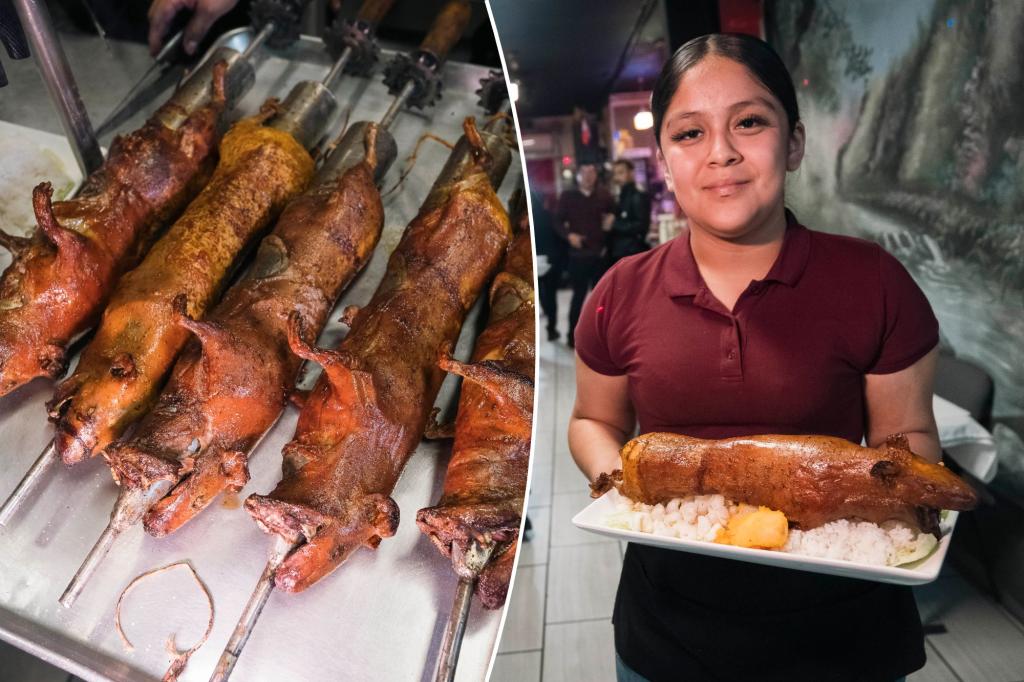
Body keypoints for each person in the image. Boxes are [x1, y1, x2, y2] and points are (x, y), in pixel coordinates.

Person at [570, 33, 938, 682]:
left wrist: (916, 497)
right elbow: (593, 422)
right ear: (662, 160)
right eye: (689, 133)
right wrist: (617, 484)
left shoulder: (875, 282)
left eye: (749, 122)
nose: (722, 153)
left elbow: (905, 442)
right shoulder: (617, 293)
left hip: (845, 640)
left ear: (793, 143)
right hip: (668, 636)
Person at [555, 163, 614, 347]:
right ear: (578, 175)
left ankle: (601, 337)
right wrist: (568, 235)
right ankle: (572, 336)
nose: (588, 176)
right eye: (585, 172)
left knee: (601, 299)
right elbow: (557, 221)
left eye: (592, 172)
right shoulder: (568, 196)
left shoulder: (604, 195)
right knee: (578, 296)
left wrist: (611, 220)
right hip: (578, 255)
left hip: (599, 254)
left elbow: (613, 213)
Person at [531, 188, 565, 341]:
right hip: (550, 260)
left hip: (534, 260)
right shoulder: (550, 217)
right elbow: (559, 239)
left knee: (539, 292)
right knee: (551, 296)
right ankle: (551, 328)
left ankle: (544, 309)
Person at [607, 159, 651, 266]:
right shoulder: (620, 196)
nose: (617, 177)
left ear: (631, 173)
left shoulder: (637, 196)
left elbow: (641, 226)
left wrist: (614, 224)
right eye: (615, 174)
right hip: (620, 253)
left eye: (621, 172)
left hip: (632, 253)